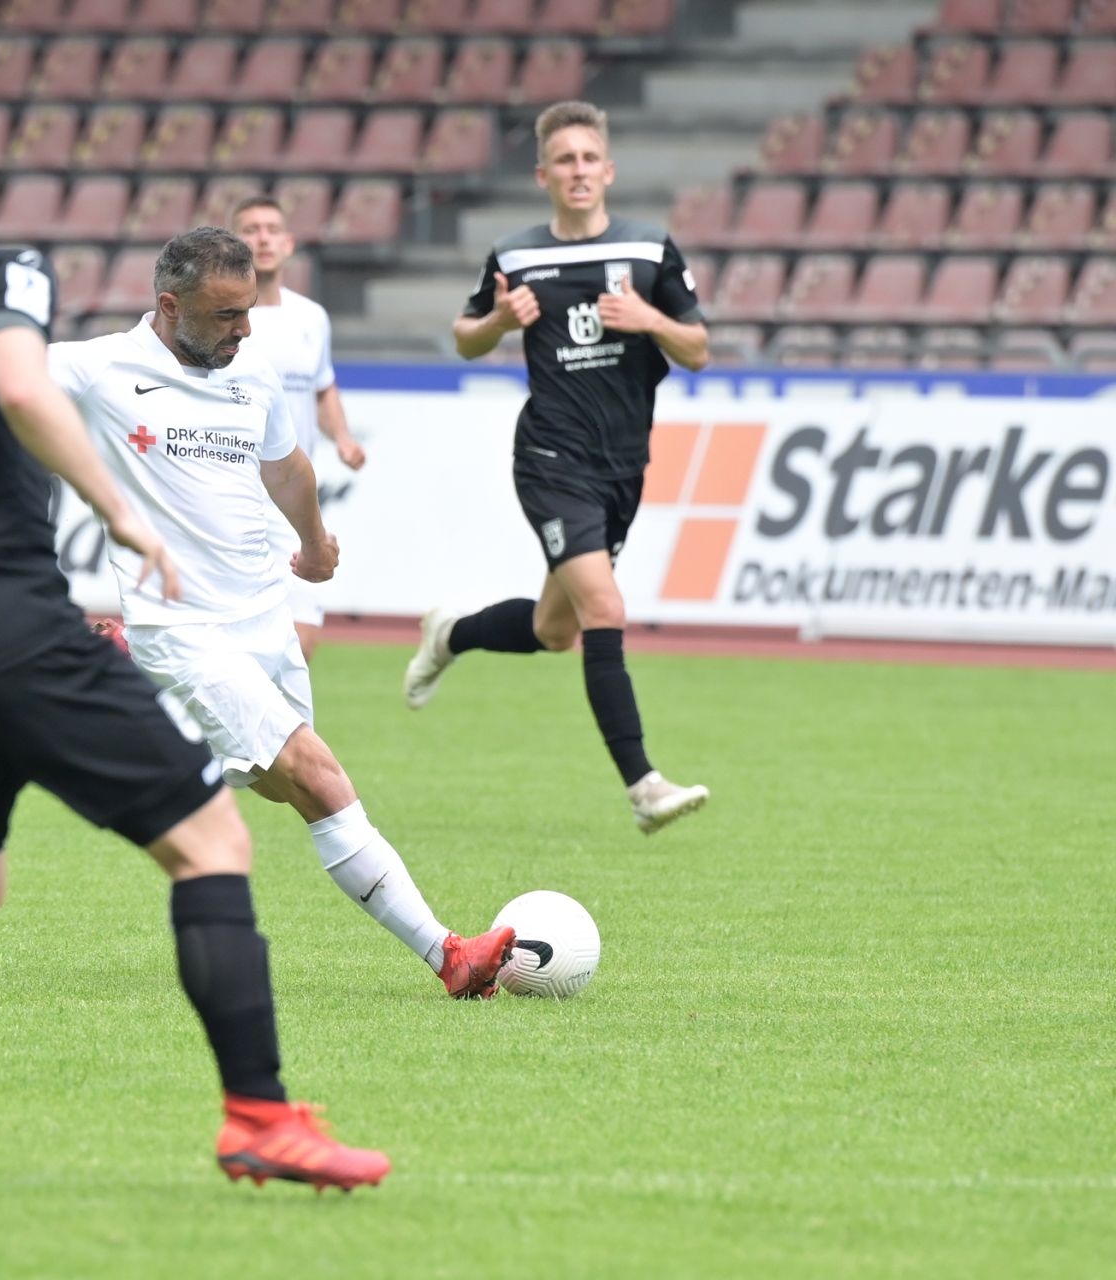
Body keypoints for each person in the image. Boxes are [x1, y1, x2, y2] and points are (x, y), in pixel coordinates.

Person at [0, 98, 387, 1195]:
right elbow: (16, 381)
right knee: (213, 842)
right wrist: (120, 512)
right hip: (15, 630)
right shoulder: (3, 274)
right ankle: (260, 1117)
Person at [55, 227, 515, 1002]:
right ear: (169, 306)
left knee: (284, 786)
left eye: (248, 310)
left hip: (263, 616)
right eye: (226, 314)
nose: (245, 328)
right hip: (182, 626)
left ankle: (135, 697)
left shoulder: (252, 368)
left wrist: (314, 543)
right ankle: (450, 955)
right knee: (319, 776)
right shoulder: (98, 368)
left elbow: (288, 466)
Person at [405, 100, 710, 835]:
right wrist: (498, 322)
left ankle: (452, 634)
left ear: (608, 170)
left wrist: (650, 321)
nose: (578, 170)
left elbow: (697, 348)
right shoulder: (516, 255)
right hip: (550, 456)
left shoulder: (649, 250)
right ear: (543, 175)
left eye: (588, 158)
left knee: (554, 629)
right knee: (605, 610)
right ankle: (644, 786)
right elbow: (466, 336)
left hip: (622, 465)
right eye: (564, 160)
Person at [229, 195, 367, 661]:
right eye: (251, 229)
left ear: (288, 244)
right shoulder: (220, 320)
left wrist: (342, 437)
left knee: (300, 642)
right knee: (236, 642)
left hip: (292, 498)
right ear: (233, 244)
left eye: (272, 229)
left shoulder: (311, 318)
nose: (263, 239)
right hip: (234, 495)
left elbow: (322, 388)